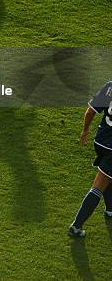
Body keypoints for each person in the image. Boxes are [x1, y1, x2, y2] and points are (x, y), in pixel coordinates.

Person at [69, 81, 112, 237]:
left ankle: (110, 210)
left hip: (100, 142)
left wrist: (85, 131)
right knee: (99, 186)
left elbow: (90, 112)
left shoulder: (110, 86)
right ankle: (76, 227)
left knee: (107, 175)